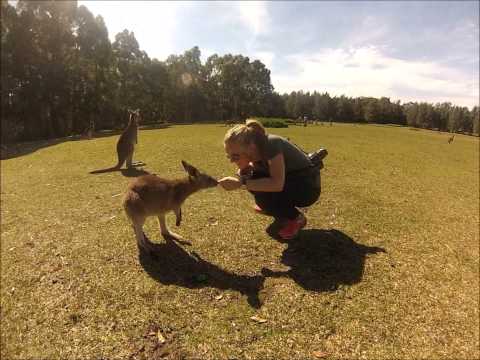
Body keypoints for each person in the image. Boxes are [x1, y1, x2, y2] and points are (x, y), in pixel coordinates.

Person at [218, 119, 321, 240]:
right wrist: (244, 172)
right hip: (294, 182)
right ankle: (278, 210)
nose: (231, 160)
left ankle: (296, 218)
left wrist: (241, 183)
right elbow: (259, 169)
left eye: (235, 156)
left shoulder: (271, 145)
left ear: (251, 147)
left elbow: (277, 183)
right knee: (256, 183)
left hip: (308, 189)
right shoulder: (257, 148)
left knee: (261, 192)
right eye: (229, 156)